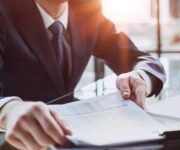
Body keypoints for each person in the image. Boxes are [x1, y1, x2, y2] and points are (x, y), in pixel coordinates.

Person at [0, 0, 166, 149]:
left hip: (74, 135)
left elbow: (142, 59)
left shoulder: (87, 11)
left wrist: (140, 77)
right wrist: (10, 110)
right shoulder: (4, 11)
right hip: (17, 141)